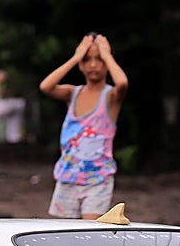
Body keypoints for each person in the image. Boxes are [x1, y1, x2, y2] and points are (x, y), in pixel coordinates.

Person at [39, 33, 129, 219]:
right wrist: (75, 57)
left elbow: (122, 83)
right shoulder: (73, 93)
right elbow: (45, 87)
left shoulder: (110, 97)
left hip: (98, 180)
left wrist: (107, 54)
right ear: (81, 64)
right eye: (87, 59)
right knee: (63, 235)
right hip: (67, 178)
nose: (93, 65)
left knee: (89, 234)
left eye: (99, 59)